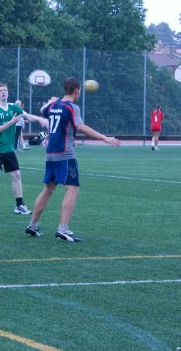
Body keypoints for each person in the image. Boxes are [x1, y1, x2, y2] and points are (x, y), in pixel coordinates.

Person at [25, 78, 122, 242]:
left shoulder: (54, 106)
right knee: (72, 189)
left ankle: (32, 225)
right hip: (65, 154)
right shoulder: (72, 107)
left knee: (48, 188)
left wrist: (51, 102)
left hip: (50, 154)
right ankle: (63, 230)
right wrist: (104, 138)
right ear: (76, 90)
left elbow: (42, 110)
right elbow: (81, 126)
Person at [0, 83, 47, 215]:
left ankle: (19, 205)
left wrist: (40, 119)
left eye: (5, 90)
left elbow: (28, 116)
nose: (3, 92)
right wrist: (11, 122)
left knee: (16, 175)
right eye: (0, 91)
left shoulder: (13, 107)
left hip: (8, 149)